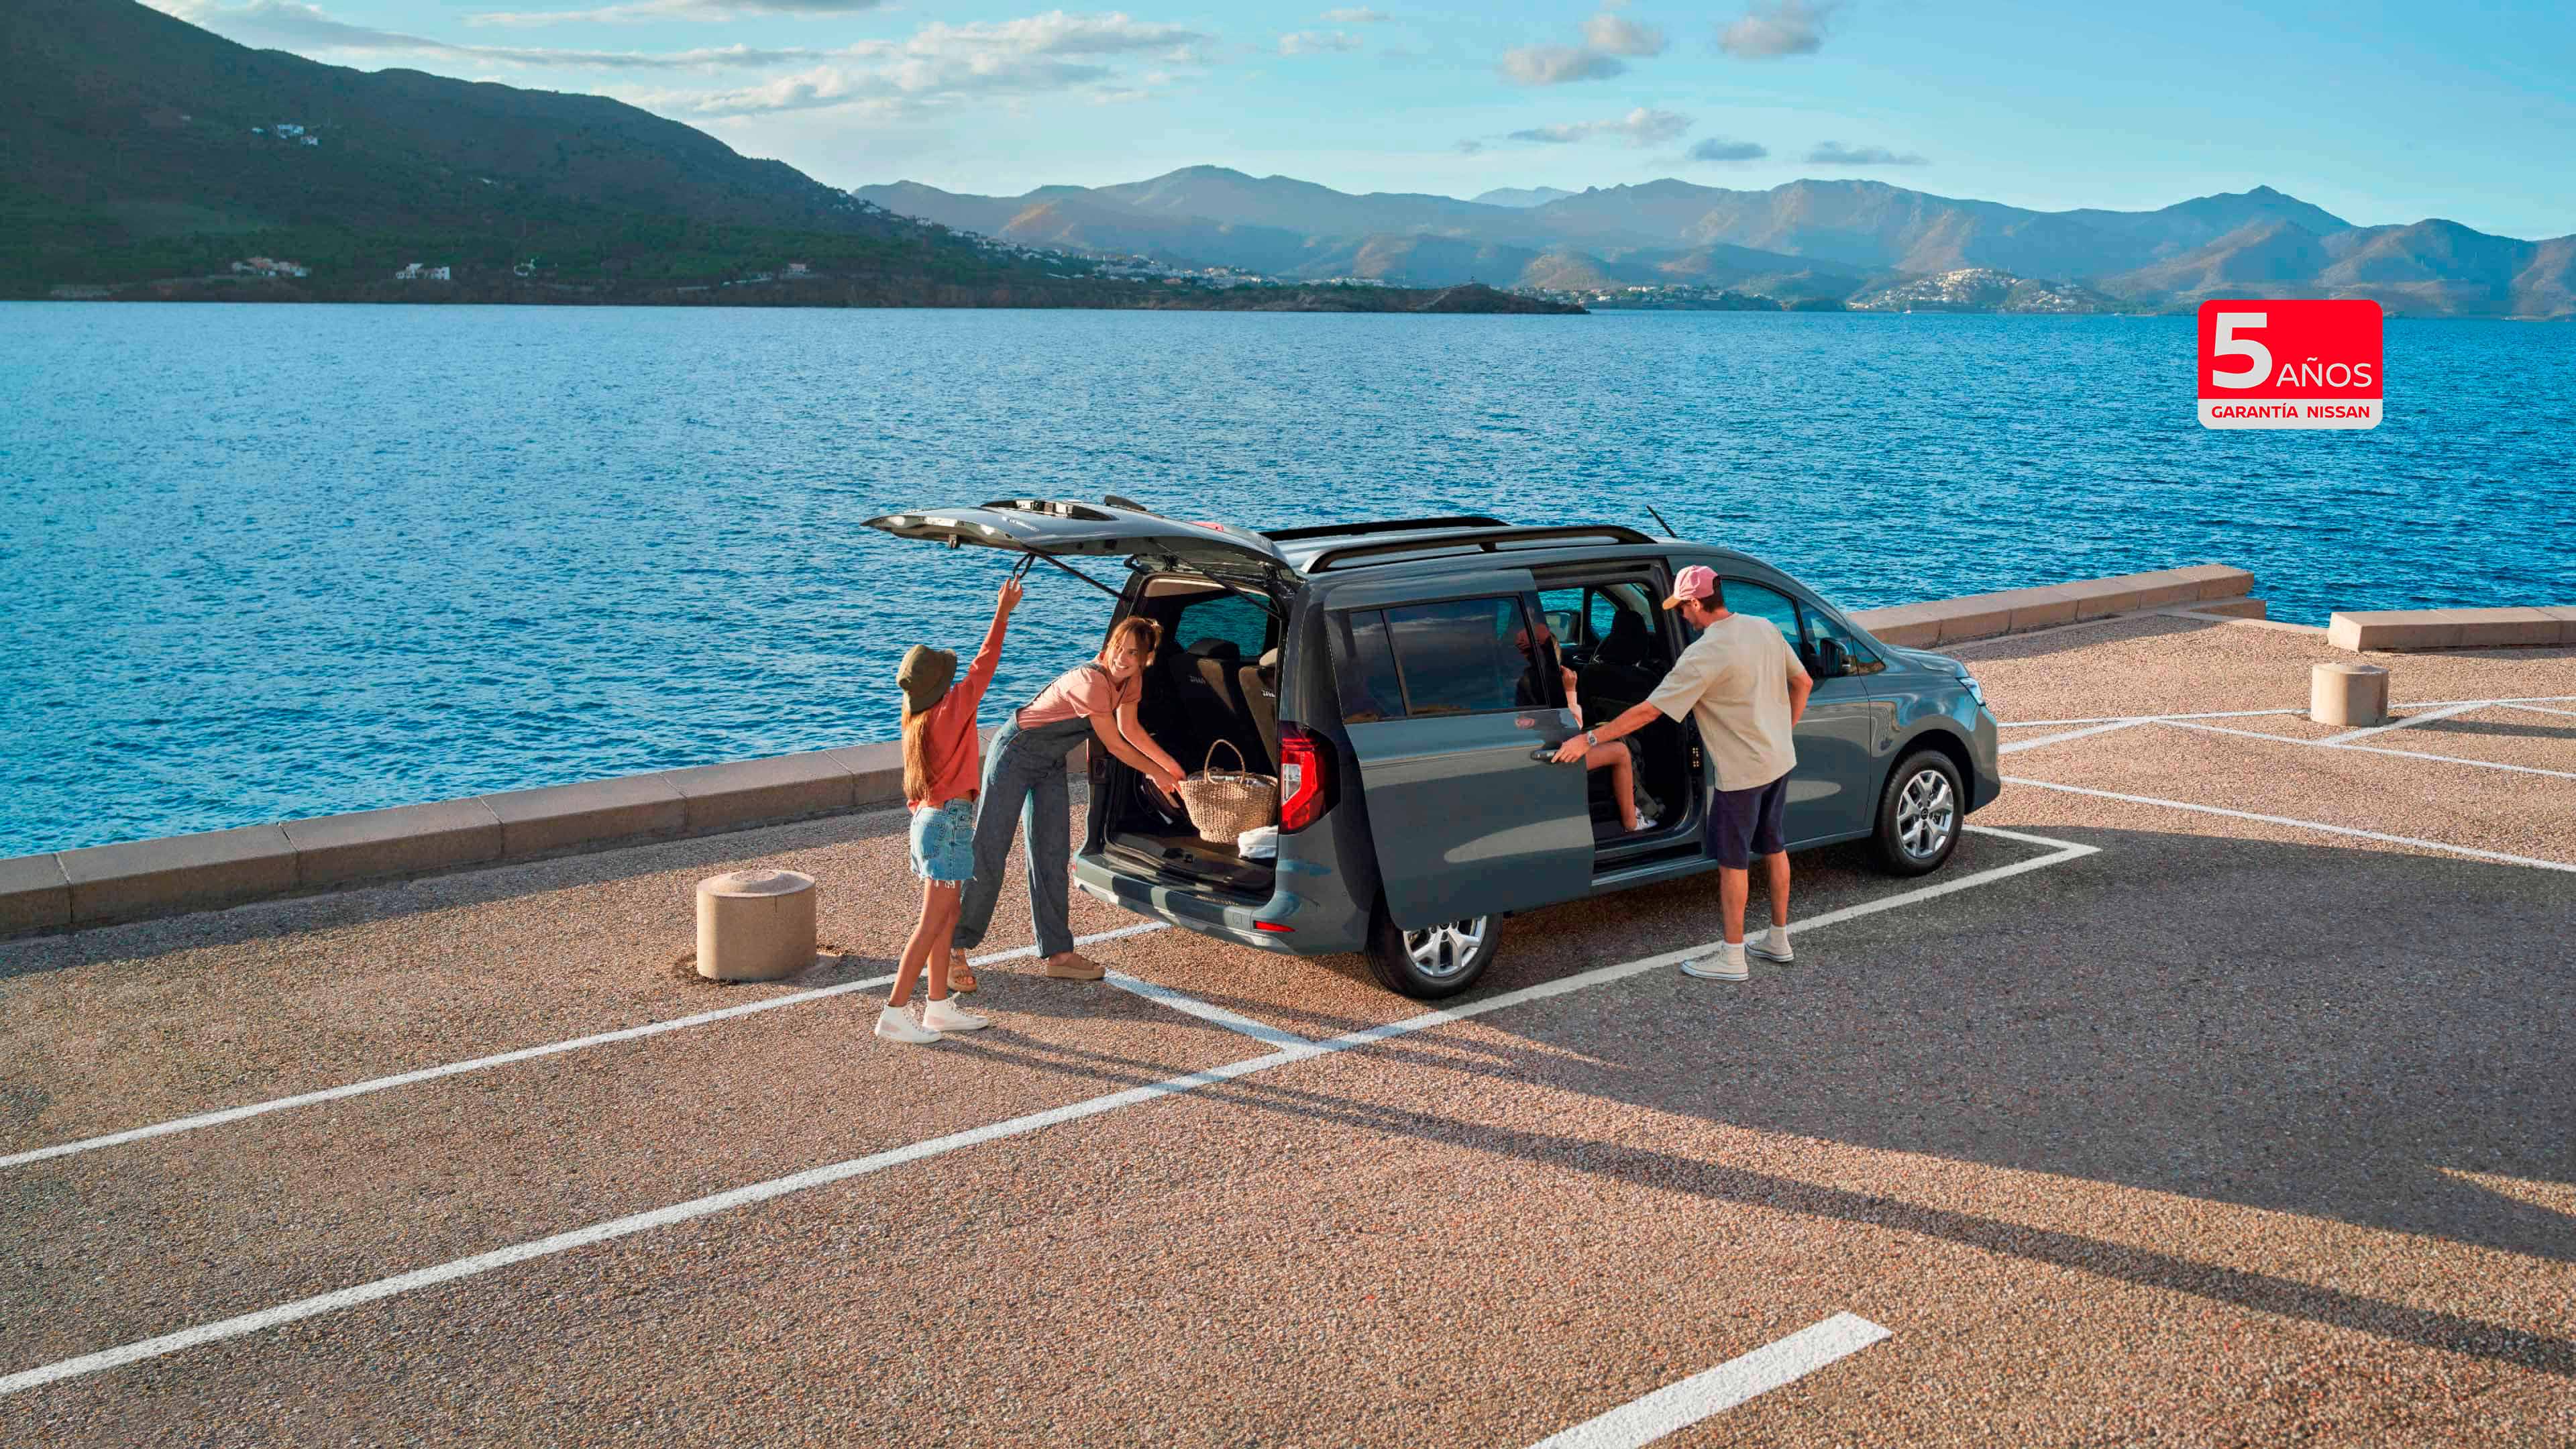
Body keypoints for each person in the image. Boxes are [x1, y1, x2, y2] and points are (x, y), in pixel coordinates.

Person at [1553, 565, 1809, 981]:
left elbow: (1650, 711)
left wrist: (1593, 739)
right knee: (1774, 845)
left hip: (1741, 774)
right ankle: (1778, 939)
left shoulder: (1705, 654)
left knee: (1733, 862)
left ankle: (1732, 957)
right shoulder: (1764, 628)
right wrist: (1783, 733)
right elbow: (1804, 683)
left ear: (1695, 602)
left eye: (1682, 608)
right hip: (1779, 759)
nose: (1682, 618)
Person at [952, 614, 1186, 980]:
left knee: (1051, 853)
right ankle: (955, 948)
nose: (1121, 659)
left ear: (1145, 660)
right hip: (1015, 752)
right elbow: (1113, 745)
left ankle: (1058, 954)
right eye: (1117, 649)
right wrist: (1154, 772)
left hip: (1048, 762)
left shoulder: (1130, 681)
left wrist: (1171, 766)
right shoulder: (1091, 681)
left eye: (1132, 654)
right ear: (1108, 646)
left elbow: (1131, 729)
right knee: (990, 849)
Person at [879, 576, 1022, 1044]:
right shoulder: (949, 712)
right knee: (930, 925)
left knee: (944, 919)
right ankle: (895, 1012)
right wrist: (1003, 610)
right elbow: (985, 664)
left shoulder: (915, 722)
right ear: (942, 685)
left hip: (929, 822)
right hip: (949, 826)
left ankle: (937, 1006)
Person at [1517, 624, 1651, 833]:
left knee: (1607, 737)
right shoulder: (1550, 684)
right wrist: (1570, 690)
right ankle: (1632, 823)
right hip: (1554, 753)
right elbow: (1573, 726)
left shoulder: (1524, 678)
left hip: (1540, 745)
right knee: (1621, 752)